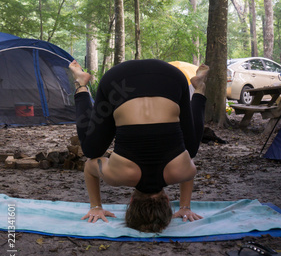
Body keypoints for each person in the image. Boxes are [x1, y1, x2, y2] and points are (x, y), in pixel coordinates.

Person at [69, 58, 209, 233]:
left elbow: (188, 170)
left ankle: (200, 86)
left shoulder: (181, 171)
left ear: (166, 201)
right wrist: (96, 206)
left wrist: (185, 206)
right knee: (91, 151)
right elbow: (90, 167)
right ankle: (81, 84)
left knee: (191, 150)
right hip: (118, 80)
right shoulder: (118, 175)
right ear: (132, 201)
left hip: (170, 77)